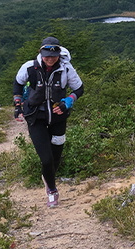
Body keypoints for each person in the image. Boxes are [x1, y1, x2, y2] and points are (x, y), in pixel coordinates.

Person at [13, 37, 85, 207]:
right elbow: (17, 84)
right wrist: (17, 105)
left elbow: (79, 88)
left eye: (53, 56)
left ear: (59, 54)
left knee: (56, 156)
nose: (50, 59)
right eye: (46, 55)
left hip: (58, 117)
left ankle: (48, 177)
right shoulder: (29, 67)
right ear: (41, 53)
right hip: (35, 117)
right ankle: (52, 190)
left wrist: (69, 100)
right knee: (46, 159)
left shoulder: (66, 68)